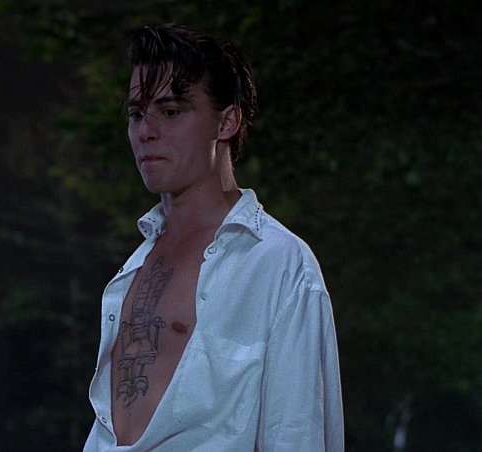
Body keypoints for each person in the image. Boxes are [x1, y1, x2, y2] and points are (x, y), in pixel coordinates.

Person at [83, 24, 343, 451]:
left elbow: (297, 432)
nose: (146, 131)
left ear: (227, 121)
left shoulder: (277, 262)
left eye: (170, 111)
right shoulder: (134, 267)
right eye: (136, 113)